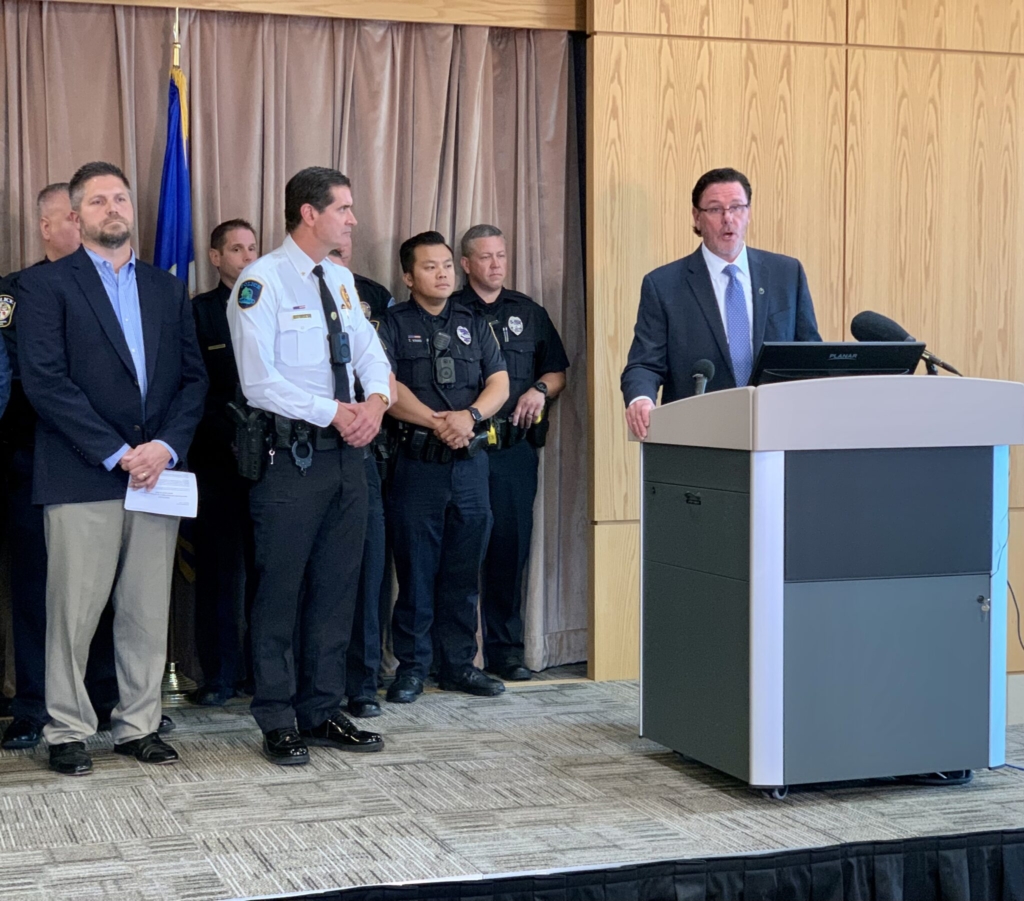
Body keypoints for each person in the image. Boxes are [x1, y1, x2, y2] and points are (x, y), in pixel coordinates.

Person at [17, 161, 207, 776]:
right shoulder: (44, 287)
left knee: (146, 609)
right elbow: (46, 382)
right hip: (84, 472)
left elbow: (192, 380)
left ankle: (138, 725)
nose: (112, 209)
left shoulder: (164, 287)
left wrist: (165, 447)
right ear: (76, 216)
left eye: (120, 198)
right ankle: (68, 728)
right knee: (72, 612)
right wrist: (116, 451)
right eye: (97, 201)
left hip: (157, 474)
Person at [226, 167, 391, 765]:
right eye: (343, 208)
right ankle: (276, 715)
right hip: (290, 461)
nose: (352, 219)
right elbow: (259, 381)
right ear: (308, 213)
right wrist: (335, 412)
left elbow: (372, 353)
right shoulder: (260, 282)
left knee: (337, 588)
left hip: (350, 460)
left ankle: (321, 709)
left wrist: (375, 402)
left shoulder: (342, 281)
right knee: (280, 592)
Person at [0, 183, 120, 752]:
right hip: (30, 462)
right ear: (49, 227)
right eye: (70, 218)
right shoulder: (12, 293)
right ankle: (32, 704)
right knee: (37, 589)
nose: (82, 226)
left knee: (99, 588)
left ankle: (102, 697)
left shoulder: (119, 289)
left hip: (104, 461)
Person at [377, 231, 509, 704]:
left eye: (448, 265)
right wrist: (440, 423)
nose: (443, 274)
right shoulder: (391, 324)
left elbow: (499, 382)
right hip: (417, 465)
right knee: (415, 571)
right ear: (410, 276)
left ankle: (458, 665)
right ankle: (412, 668)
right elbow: (386, 389)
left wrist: (468, 418)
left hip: (469, 465)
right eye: (431, 267)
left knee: (462, 569)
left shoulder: (475, 321)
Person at [621, 167, 821, 439]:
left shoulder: (786, 273)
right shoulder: (664, 284)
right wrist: (641, 399)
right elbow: (644, 363)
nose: (728, 219)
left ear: (748, 213)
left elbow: (810, 353)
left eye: (737, 207)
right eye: (715, 210)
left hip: (777, 432)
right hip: (698, 434)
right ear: (697, 217)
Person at [452, 225, 569, 682]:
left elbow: (556, 370)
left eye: (501, 255)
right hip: (464, 451)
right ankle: (456, 657)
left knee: (509, 550)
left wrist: (540, 390)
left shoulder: (528, 312)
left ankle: (505, 653)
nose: (496, 264)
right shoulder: (449, 311)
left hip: (513, 452)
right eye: (485, 257)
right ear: (466, 264)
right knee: (461, 553)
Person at [190, 219, 260, 706]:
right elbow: (193, 387)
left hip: (272, 461)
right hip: (217, 460)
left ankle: (261, 673)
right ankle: (217, 675)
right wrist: (231, 436)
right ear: (216, 258)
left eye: (253, 248)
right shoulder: (198, 313)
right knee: (217, 572)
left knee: (267, 570)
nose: (246, 256)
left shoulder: (274, 305)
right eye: (236, 249)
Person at [327, 236, 394, 718]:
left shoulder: (361, 294)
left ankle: (362, 682)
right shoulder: (278, 287)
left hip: (364, 446)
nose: (346, 238)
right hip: (308, 446)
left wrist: (373, 408)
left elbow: (381, 367)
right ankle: (314, 686)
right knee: (319, 577)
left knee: (368, 570)